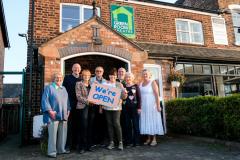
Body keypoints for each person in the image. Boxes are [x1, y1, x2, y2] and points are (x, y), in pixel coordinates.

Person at [41, 72, 71, 158]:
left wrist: (68, 109)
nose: (59, 79)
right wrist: (50, 111)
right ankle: (52, 152)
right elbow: (44, 100)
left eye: (60, 77)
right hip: (52, 115)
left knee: (63, 133)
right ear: (53, 79)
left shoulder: (64, 88)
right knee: (53, 135)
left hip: (63, 114)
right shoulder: (49, 88)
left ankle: (61, 149)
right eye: (57, 77)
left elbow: (67, 101)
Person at [102, 68, 127, 150]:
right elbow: (101, 96)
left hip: (117, 108)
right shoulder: (105, 84)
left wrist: (125, 93)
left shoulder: (119, 84)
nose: (112, 77)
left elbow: (123, 97)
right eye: (111, 75)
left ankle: (120, 142)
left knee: (116, 123)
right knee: (109, 124)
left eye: (114, 76)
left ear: (116, 76)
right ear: (109, 76)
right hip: (107, 107)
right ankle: (111, 142)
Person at [139, 69, 164, 146]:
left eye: (146, 74)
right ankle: (149, 138)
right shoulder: (140, 83)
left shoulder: (152, 82)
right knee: (146, 121)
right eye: (143, 74)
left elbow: (157, 94)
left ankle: (154, 139)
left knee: (152, 120)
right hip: (144, 106)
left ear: (150, 75)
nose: (145, 75)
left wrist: (158, 106)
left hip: (152, 106)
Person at [62, 63, 81, 150]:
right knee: (70, 125)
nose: (76, 69)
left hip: (80, 105)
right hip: (70, 105)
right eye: (75, 68)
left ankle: (76, 144)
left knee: (78, 125)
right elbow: (63, 91)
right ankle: (68, 145)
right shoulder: (67, 78)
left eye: (78, 68)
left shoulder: (81, 79)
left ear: (80, 70)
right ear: (72, 69)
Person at [75, 69, 93, 154]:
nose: (86, 77)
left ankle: (88, 146)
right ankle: (81, 146)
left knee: (90, 126)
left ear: (90, 76)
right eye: (84, 75)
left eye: (88, 75)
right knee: (83, 127)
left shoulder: (92, 84)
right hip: (83, 107)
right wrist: (88, 101)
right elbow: (78, 96)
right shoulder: (78, 83)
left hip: (92, 108)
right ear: (82, 76)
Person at [89, 66, 107, 146]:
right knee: (92, 123)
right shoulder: (91, 80)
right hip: (92, 105)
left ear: (102, 72)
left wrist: (101, 106)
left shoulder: (105, 81)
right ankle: (93, 141)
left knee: (102, 123)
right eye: (97, 71)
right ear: (95, 72)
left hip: (101, 106)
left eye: (100, 71)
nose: (99, 72)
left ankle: (101, 140)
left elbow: (106, 95)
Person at [124, 72, 141, 147]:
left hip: (134, 108)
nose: (128, 78)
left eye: (129, 77)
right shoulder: (123, 87)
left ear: (132, 78)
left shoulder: (136, 86)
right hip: (126, 108)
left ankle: (137, 141)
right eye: (127, 77)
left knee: (135, 125)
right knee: (127, 125)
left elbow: (139, 97)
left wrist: (139, 107)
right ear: (125, 78)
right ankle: (129, 142)